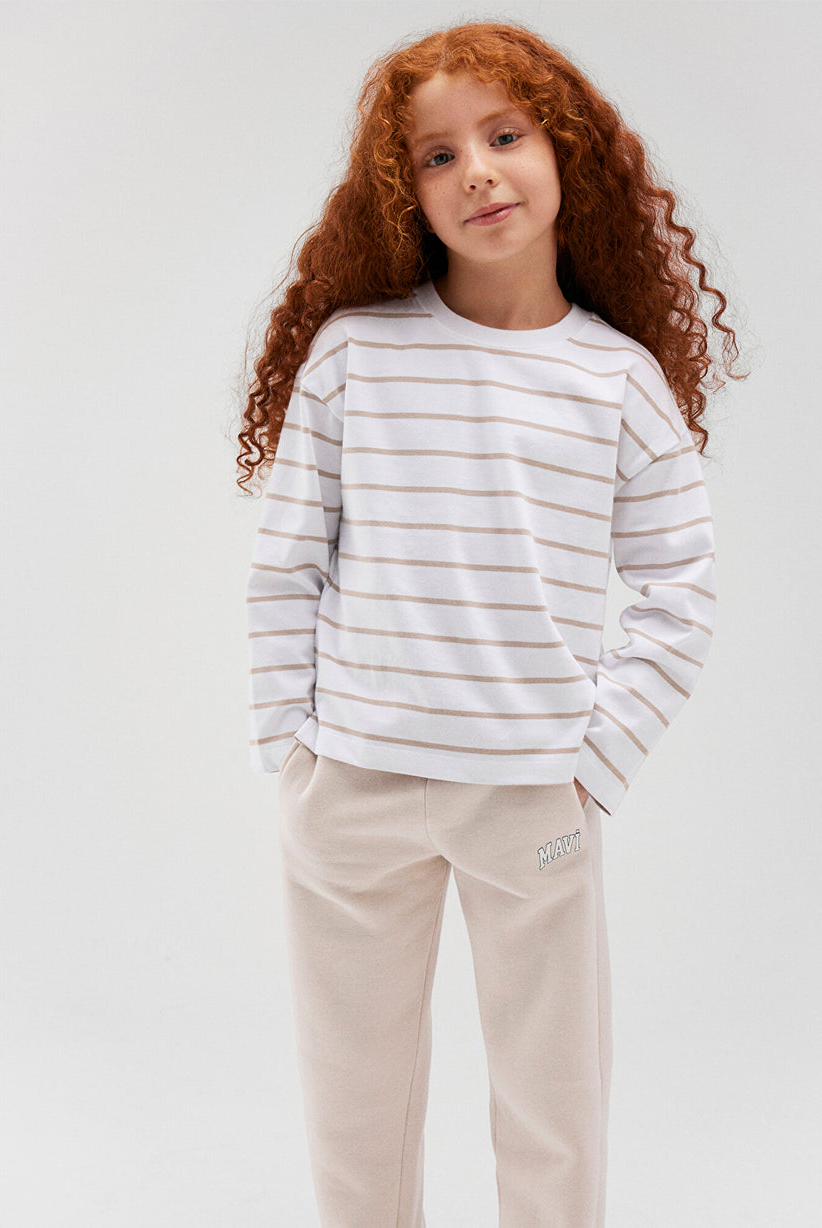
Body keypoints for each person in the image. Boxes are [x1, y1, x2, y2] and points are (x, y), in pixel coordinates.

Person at [236, 19, 746, 1228]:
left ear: (565, 152)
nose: (475, 171)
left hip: (532, 801)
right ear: (402, 194)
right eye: (436, 155)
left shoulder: (616, 382)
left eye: (504, 136)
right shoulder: (354, 357)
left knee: (550, 1102)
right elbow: (284, 563)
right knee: (354, 1103)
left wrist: (588, 765)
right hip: (349, 790)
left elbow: (679, 589)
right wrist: (289, 753)